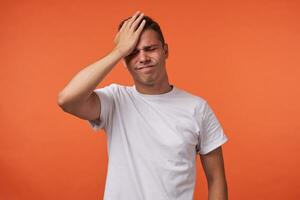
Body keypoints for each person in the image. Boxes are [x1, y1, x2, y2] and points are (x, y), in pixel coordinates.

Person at [58, 11, 229, 200]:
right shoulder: (115, 100)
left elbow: (216, 180)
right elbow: (67, 100)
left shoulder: (197, 108)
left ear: (165, 51)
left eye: (150, 48)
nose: (143, 57)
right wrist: (118, 51)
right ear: (124, 60)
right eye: (132, 52)